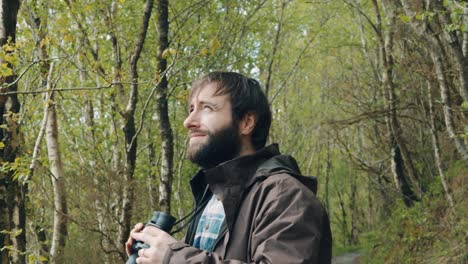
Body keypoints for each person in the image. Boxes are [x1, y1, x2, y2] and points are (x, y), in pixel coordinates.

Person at [125, 72, 332, 263]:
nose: (189, 121)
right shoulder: (213, 195)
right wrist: (153, 252)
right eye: (191, 109)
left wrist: (173, 256)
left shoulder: (286, 196)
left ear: (246, 122)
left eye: (207, 108)